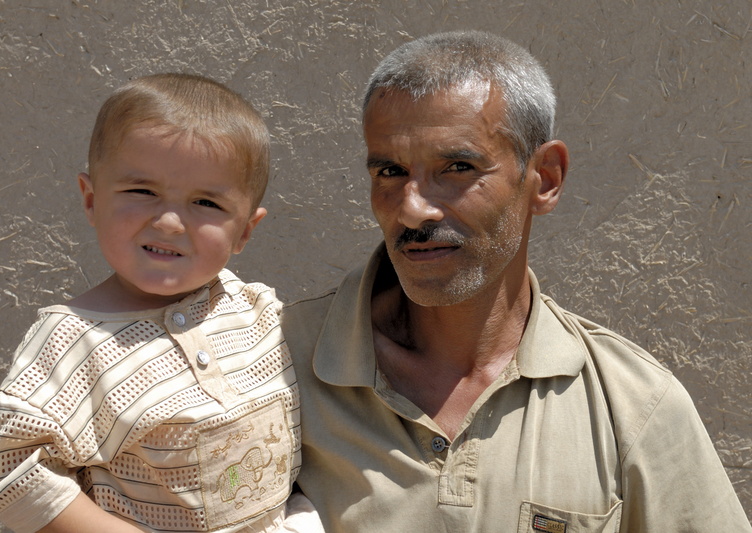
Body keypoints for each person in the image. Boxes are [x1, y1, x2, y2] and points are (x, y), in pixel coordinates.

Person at [282, 31, 751, 532]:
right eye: (391, 171)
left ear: (544, 178)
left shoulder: (633, 406)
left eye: (457, 167)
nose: (413, 207)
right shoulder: (269, 370)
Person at [0, 73, 323, 533]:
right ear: (91, 199)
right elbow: (15, 471)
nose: (167, 222)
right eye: (142, 192)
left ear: (244, 230)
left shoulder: (256, 311)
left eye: (205, 202)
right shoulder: (72, 341)